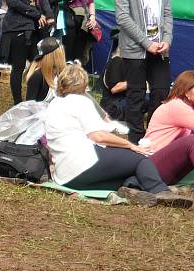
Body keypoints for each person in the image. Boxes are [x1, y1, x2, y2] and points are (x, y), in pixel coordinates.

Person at [44, 63, 189, 207]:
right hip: (82, 163)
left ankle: (133, 189)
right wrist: (131, 146)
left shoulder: (54, 104)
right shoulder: (80, 101)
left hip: (65, 177)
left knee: (124, 176)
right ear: (83, 84)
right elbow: (98, 136)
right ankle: (161, 191)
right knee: (139, 159)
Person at [114, 0, 173, 144]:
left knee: (161, 91)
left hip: (160, 47)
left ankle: (154, 136)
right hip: (135, 49)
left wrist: (167, 39)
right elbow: (122, 17)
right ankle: (135, 140)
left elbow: (167, 12)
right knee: (136, 95)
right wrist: (146, 43)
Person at [0, 0, 53, 105]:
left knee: (39, 62)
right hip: (17, 28)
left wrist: (48, 15)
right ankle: (17, 103)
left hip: (34, 28)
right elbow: (13, 2)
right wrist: (36, 14)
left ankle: (34, 98)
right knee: (18, 66)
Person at [143, 71, 194, 186]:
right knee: (192, 140)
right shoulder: (177, 106)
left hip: (162, 167)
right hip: (149, 167)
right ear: (186, 92)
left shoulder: (186, 107)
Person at [25, 37, 65, 102]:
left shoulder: (60, 73)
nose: (63, 56)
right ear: (54, 55)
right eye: (61, 52)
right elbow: (30, 105)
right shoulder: (37, 76)